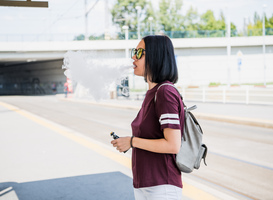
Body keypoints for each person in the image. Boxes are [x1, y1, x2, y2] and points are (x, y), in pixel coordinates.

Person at [111, 35, 185, 200]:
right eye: (134, 52)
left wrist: (132, 141)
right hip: (146, 185)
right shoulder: (152, 93)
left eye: (138, 53)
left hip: (161, 187)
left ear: (155, 56)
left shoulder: (165, 93)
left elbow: (173, 145)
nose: (133, 57)